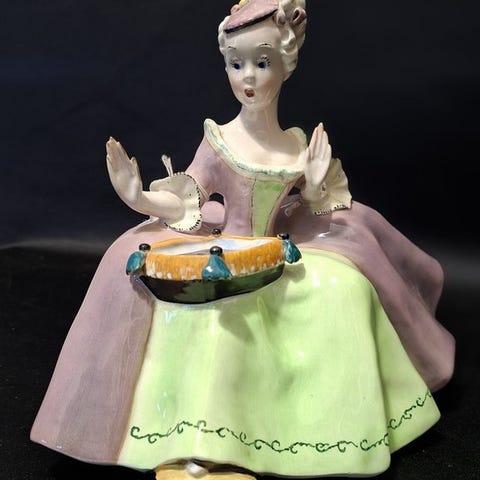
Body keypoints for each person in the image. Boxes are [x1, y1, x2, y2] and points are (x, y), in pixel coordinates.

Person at [31, 1, 455, 479]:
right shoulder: (219, 140)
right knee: (211, 307)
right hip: (224, 244)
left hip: (276, 247)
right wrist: (139, 198)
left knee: (347, 289)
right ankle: (195, 445)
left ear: (286, 64)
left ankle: (323, 434)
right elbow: (189, 196)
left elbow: (318, 202)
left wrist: (314, 186)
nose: (248, 77)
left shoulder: (295, 145)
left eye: (262, 62)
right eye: (236, 64)